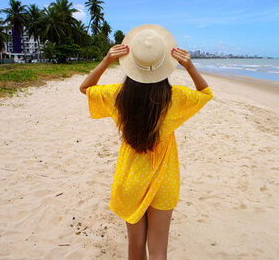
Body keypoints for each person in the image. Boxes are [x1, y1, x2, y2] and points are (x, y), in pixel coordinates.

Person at [80, 24, 212, 259]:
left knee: (135, 245)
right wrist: (189, 66)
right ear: (164, 66)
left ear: (131, 64)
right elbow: (205, 93)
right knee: (159, 249)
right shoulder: (175, 98)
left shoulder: (119, 96)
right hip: (164, 181)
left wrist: (106, 61)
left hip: (130, 179)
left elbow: (86, 87)